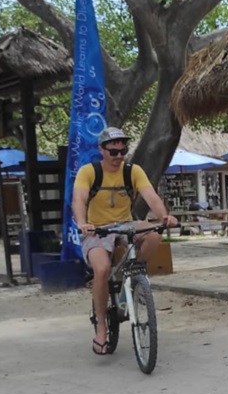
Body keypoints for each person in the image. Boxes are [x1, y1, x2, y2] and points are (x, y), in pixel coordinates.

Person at [71, 126, 179, 356]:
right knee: (102, 269)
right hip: (97, 229)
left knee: (154, 234)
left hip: (125, 223)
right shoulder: (88, 172)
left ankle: (135, 271)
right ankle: (101, 327)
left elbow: (151, 196)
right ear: (102, 150)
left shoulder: (133, 171)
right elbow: (79, 199)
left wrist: (165, 217)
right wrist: (82, 223)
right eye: (113, 151)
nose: (119, 156)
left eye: (123, 151)